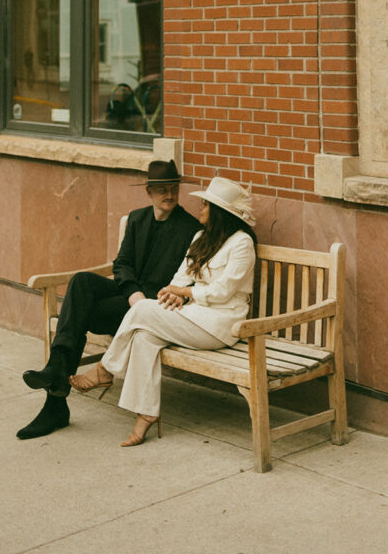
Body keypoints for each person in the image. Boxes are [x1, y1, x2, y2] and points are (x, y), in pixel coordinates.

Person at [17, 159, 199, 440]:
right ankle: (56, 377)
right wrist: (132, 293)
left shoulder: (189, 228)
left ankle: (55, 396)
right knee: (81, 281)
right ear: (148, 192)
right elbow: (122, 264)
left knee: (76, 315)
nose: (170, 195)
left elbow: (182, 279)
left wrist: (141, 300)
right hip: (131, 297)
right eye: (162, 190)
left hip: (153, 309)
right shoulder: (138, 219)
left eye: (174, 189)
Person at [69, 176, 257, 447]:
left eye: (205, 205)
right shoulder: (202, 237)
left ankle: (104, 369)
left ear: (219, 212)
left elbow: (223, 291)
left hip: (221, 324)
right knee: (145, 336)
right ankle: (146, 415)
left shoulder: (241, 244)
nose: (200, 209)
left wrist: (187, 294)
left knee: (143, 309)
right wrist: (171, 292)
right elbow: (181, 276)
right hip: (193, 317)